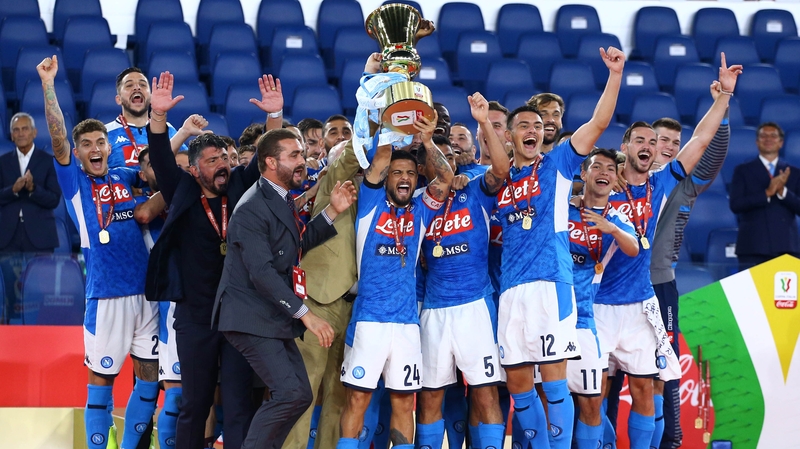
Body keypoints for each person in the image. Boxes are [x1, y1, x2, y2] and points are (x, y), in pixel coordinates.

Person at [595, 54, 741, 449]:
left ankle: (667, 442)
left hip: (645, 300)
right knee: (592, 397)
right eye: (639, 140)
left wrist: (723, 98)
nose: (648, 146)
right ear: (624, 147)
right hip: (596, 302)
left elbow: (701, 142)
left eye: (652, 142)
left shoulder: (663, 184)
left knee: (650, 387)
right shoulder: (598, 181)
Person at [144, 72, 284, 449]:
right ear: (194, 169)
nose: (222, 164)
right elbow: (158, 157)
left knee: (239, 405)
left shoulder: (240, 183)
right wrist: (158, 118)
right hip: (195, 316)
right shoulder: (183, 190)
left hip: (240, 315)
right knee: (195, 403)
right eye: (211, 160)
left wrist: (275, 117)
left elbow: (267, 160)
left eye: (224, 156)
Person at [495, 46, 624, 449]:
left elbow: (599, 123)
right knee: (519, 388)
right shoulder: (500, 180)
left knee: (554, 385)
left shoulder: (559, 164)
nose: (534, 129)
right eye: (524, 125)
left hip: (551, 285)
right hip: (511, 290)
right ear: (511, 135)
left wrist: (615, 76)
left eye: (539, 124)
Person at [37, 54, 162, 449]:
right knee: (101, 384)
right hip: (106, 295)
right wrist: (48, 85)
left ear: (110, 147)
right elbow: (58, 138)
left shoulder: (126, 176)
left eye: (100, 142)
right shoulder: (73, 182)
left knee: (149, 379)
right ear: (77, 153)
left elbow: (160, 167)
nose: (94, 148)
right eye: (86, 144)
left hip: (147, 292)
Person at [213, 127, 357, 448]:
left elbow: (296, 244)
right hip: (251, 315)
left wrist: (331, 211)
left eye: (302, 153)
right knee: (291, 393)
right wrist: (307, 315)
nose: (302, 161)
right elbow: (262, 272)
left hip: (270, 313)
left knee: (300, 394)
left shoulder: (280, 196)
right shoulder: (252, 207)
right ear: (270, 163)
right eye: (293, 155)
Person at [337, 112, 454, 449]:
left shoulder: (420, 210)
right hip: (368, 320)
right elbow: (381, 158)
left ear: (417, 180)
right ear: (387, 178)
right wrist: (393, 112)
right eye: (397, 173)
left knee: (405, 403)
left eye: (411, 174)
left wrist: (428, 141)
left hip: (406, 324)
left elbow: (445, 177)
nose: (404, 178)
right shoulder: (370, 202)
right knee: (357, 402)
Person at [415, 92, 510, 449]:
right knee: (430, 398)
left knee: (485, 395)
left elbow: (501, 170)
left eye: (452, 157)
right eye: (438, 159)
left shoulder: (475, 189)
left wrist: (485, 122)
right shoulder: (419, 203)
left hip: (476, 306)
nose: (446, 164)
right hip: (434, 310)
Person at [646, 111, 730, 449]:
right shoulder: (624, 176)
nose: (668, 147)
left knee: (665, 365)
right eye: (662, 140)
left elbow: (712, 155)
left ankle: (671, 438)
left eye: (675, 143)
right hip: (615, 285)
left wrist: (721, 115)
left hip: (661, 284)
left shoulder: (686, 183)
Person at [566, 148, 638, 449]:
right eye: (597, 167)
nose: (604, 173)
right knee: (546, 398)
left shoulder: (618, 217)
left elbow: (633, 247)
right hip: (549, 314)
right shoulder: (562, 208)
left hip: (585, 319)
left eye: (610, 169)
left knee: (592, 402)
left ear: (615, 178)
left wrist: (611, 230)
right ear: (584, 174)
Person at [730, 121, 800, 270]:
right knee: (750, 294)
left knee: (783, 293)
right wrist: (767, 193)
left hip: (786, 245)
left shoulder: (793, 173)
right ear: (757, 142)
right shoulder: (743, 170)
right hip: (752, 246)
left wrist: (783, 192)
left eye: (773, 136)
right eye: (763, 136)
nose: (768, 139)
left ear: (781, 143)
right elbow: (736, 205)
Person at [0, 113, 61, 252]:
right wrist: (13, 190)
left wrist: (33, 188)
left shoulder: (49, 162)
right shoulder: (2, 162)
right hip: (8, 237)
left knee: (41, 274)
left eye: (25, 129)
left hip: (40, 236)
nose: (20, 133)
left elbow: (54, 200)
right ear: (12, 135)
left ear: (34, 133)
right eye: (16, 130)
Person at [105, 67, 186, 168]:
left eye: (143, 85)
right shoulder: (105, 133)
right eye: (129, 85)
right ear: (119, 99)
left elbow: (187, 164)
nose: (137, 88)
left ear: (151, 96)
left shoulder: (167, 130)